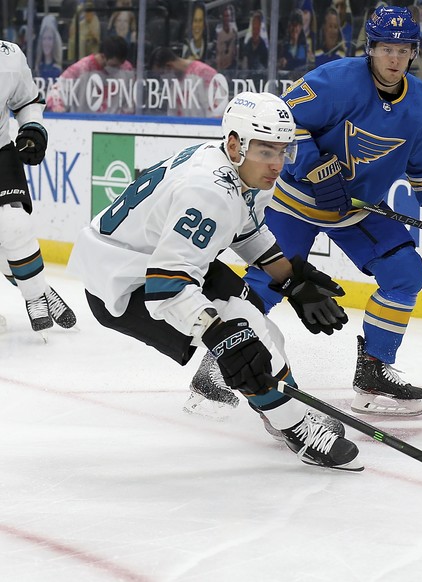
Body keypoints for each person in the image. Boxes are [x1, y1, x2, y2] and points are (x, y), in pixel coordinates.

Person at [66, 91, 361, 471]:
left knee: (253, 318)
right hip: (122, 284)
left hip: (146, 260)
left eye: (283, 151)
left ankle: (277, 409)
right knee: (248, 335)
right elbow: (166, 287)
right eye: (266, 151)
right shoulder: (209, 191)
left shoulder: (232, 166)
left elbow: (246, 229)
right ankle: (296, 427)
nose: (276, 164)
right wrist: (219, 336)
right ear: (236, 143)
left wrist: (292, 281)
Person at [241, 6, 422, 417]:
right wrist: (312, 166)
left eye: (403, 50)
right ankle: (223, 365)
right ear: (370, 49)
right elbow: (283, 124)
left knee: (406, 274)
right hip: (296, 203)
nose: (394, 59)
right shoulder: (335, 81)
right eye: (386, 49)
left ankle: (373, 371)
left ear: (414, 53)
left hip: (358, 210)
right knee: (266, 282)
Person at [0, 39, 77, 333]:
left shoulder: (8, 57)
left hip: (0, 150)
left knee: (14, 225)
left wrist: (32, 128)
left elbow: (27, 102)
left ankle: (34, 297)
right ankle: (40, 288)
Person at [45, 35, 135, 114]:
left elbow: (129, 103)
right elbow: (56, 91)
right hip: (81, 124)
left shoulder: (126, 69)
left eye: (120, 65)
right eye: (113, 66)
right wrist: (58, 107)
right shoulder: (81, 68)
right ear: (103, 56)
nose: (117, 69)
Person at [148, 47, 221, 118]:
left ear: (169, 66)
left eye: (162, 73)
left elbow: (217, 111)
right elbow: (172, 115)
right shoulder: (173, 84)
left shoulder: (204, 73)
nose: (162, 78)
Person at [33, 15, 64, 82]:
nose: (46, 43)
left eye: (50, 39)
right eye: (44, 39)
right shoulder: (38, 69)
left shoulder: (57, 70)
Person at [279, 9, 310, 74]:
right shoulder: (282, 46)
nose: (294, 28)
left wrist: (288, 62)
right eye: (292, 25)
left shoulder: (305, 47)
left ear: (301, 27)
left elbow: (302, 64)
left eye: (297, 25)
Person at [240, 10, 269, 77]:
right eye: (254, 28)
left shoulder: (263, 47)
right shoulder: (247, 45)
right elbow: (244, 65)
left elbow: (265, 67)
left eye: (257, 29)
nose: (255, 32)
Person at [214, 4, 238, 73]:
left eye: (228, 16)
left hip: (231, 67)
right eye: (225, 16)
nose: (227, 18)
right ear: (222, 17)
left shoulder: (234, 32)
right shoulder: (219, 33)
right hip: (220, 66)